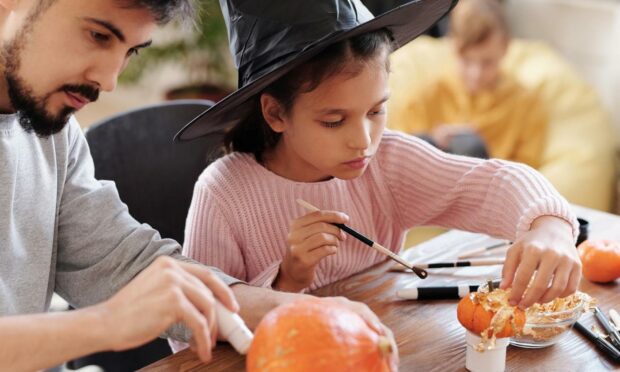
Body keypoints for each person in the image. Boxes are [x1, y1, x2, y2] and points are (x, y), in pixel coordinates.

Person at [0, 1, 395, 370]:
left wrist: (294, 311)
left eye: (130, 51)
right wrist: (106, 323)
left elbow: (122, 264)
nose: (108, 79)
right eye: (98, 36)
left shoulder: (53, 133)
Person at [176, 0, 581, 325]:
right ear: (275, 114)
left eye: (376, 111)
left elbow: (494, 183)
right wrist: (288, 279)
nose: (364, 141)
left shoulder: (388, 161)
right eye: (334, 121)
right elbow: (194, 327)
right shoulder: (224, 193)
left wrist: (550, 229)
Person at [389, 0, 547, 168]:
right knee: (424, 141)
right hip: (432, 181)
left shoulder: (526, 103)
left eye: (487, 62)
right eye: (466, 61)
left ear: (506, 48)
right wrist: (435, 142)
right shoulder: (426, 95)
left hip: (492, 187)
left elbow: (529, 172)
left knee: (471, 147)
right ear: (452, 46)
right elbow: (399, 159)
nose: (475, 74)